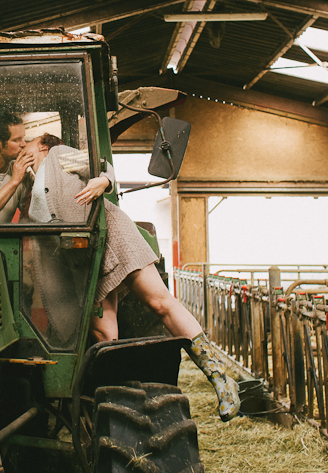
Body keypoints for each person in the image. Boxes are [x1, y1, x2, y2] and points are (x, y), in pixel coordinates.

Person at [24, 133, 240, 421]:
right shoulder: (28, 181)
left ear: (42, 145)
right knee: (105, 334)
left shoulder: (58, 155)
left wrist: (105, 182)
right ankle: (115, 411)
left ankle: (222, 379)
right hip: (81, 260)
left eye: (26, 142)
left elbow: (101, 166)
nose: (21, 147)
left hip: (111, 233)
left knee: (160, 303)